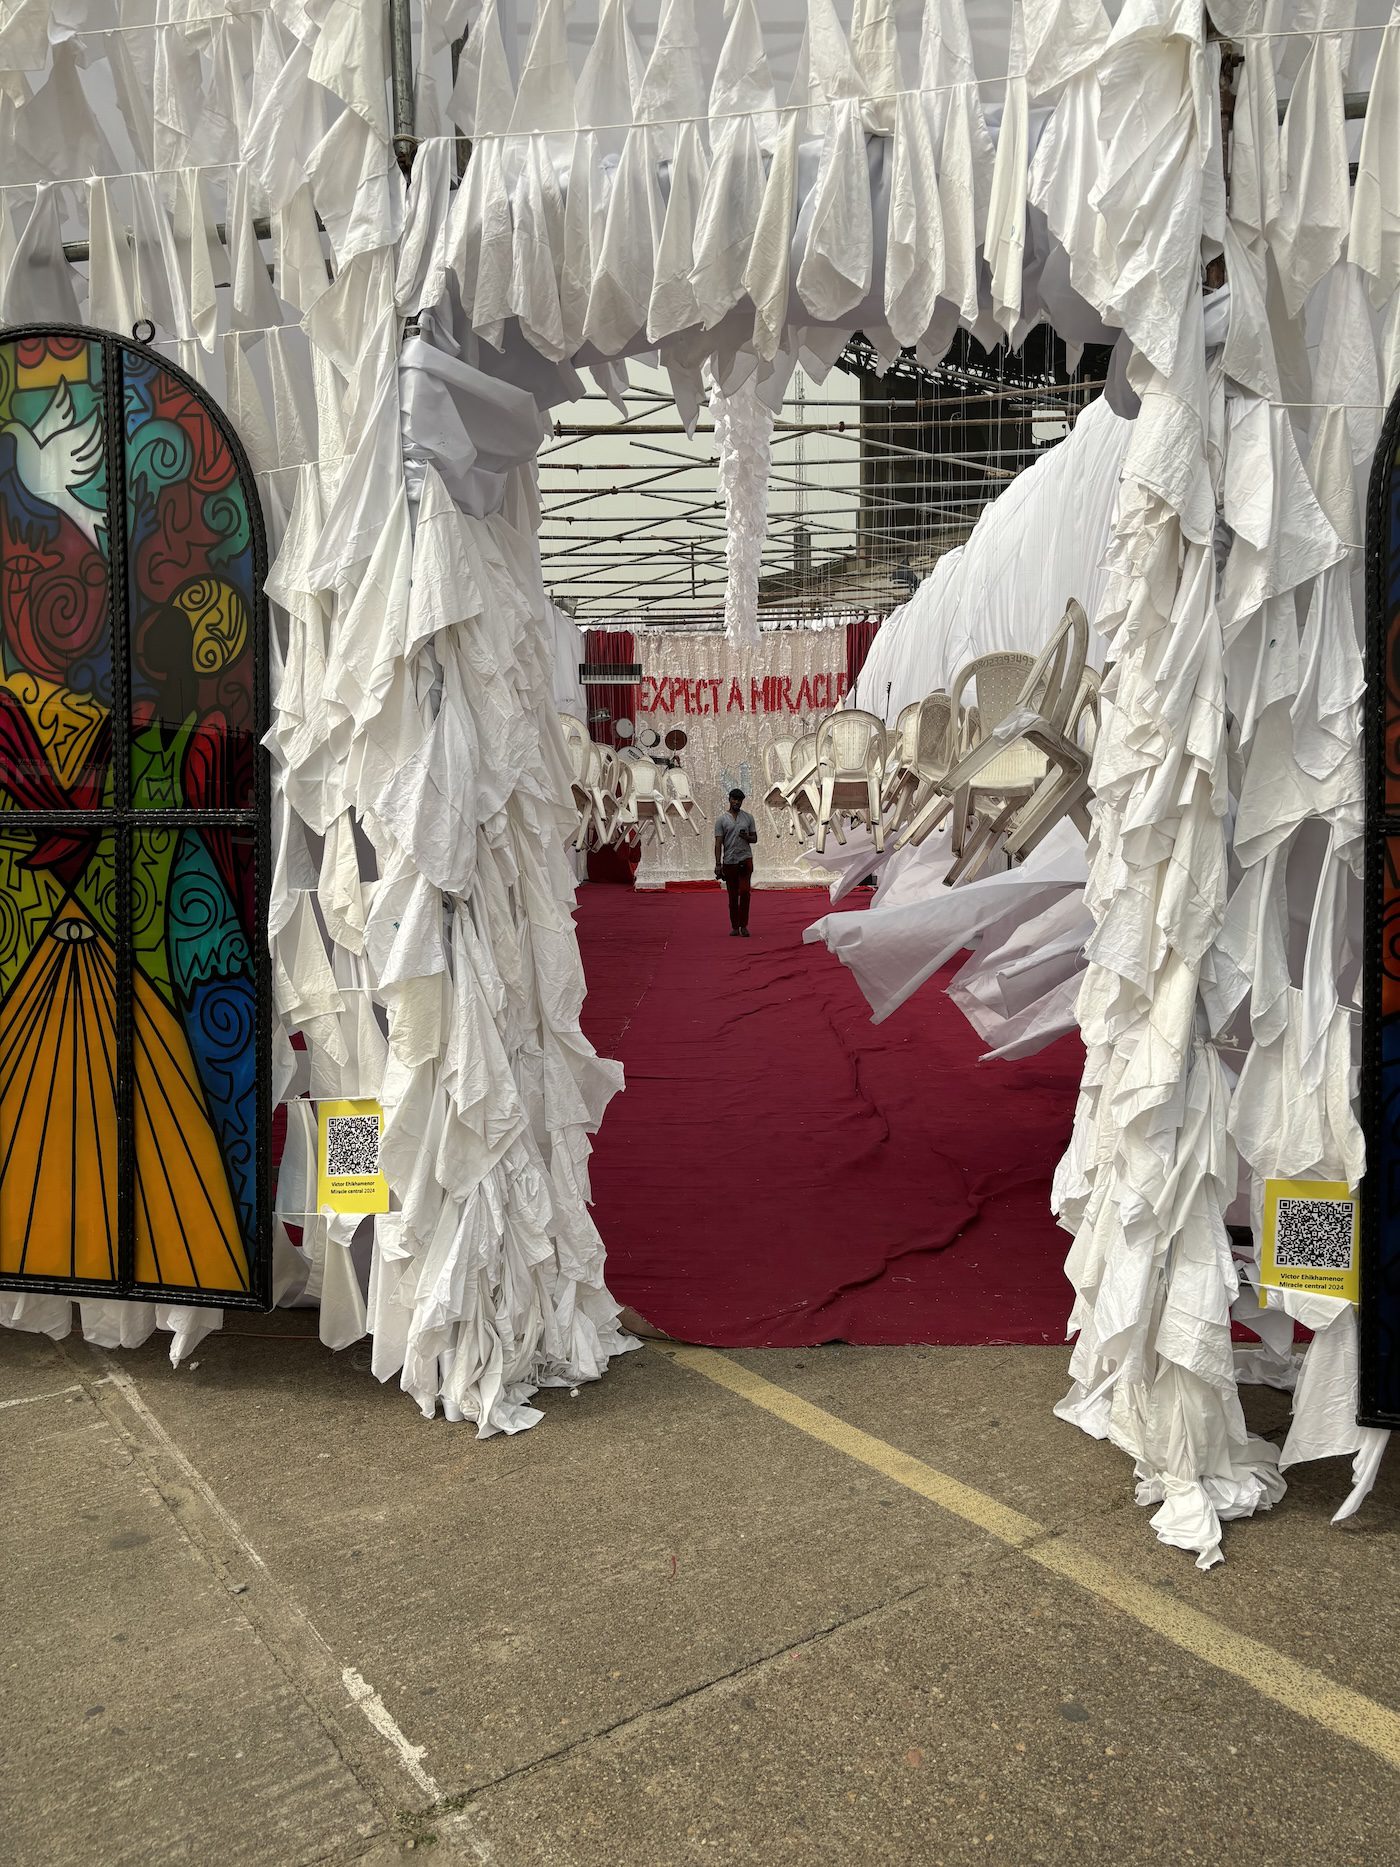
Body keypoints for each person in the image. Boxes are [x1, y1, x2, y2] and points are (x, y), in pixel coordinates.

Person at [714, 787, 758, 937]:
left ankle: (744, 925)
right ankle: (734, 926)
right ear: (729, 799)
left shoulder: (748, 818)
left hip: (745, 860)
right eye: (734, 799)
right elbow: (718, 843)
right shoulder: (721, 820)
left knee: (745, 893)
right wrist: (718, 864)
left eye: (739, 800)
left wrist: (746, 837)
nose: (737, 802)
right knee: (733, 896)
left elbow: (755, 839)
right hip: (729, 862)